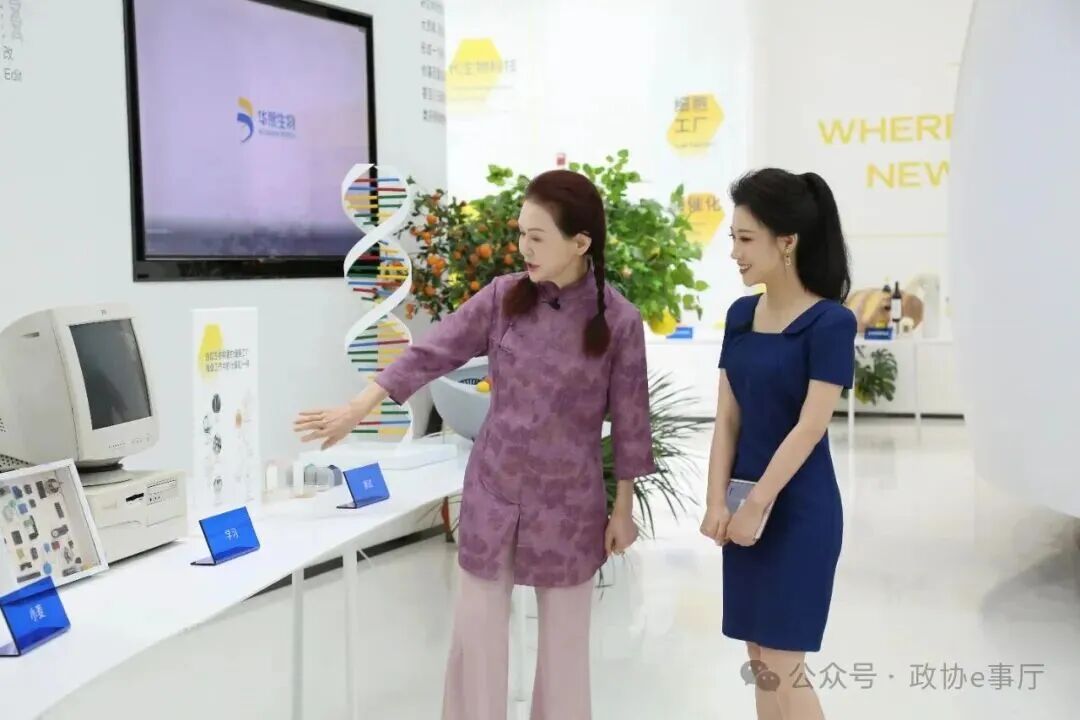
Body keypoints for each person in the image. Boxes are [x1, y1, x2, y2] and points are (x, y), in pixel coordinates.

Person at [294, 169, 656, 720]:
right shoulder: (503, 297)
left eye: (538, 237)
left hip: (569, 506)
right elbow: (431, 352)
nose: (523, 248)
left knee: (564, 653)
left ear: (581, 242)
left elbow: (631, 420)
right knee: (476, 643)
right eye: (521, 234)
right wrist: (358, 407)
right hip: (493, 493)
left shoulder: (620, 321)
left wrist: (623, 509)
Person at [700, 168, 855, 720]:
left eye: (745, 239)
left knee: (786, 666)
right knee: (760, 663)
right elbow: (727, 419)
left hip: (799, 510)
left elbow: (810, 427)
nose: (734, 253)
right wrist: (717, 502)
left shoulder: (831, 323)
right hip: (744, 504)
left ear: (786, 242)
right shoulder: (741, 316)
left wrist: (757, 505)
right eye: (733, 238)